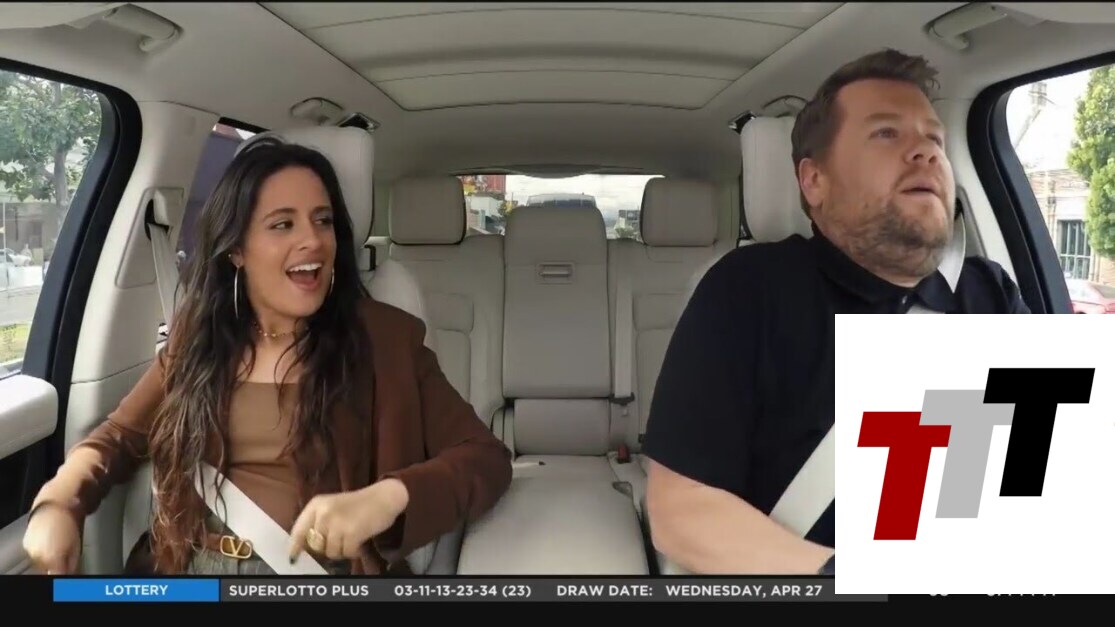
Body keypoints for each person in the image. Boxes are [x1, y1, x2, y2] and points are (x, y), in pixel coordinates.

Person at [22, 137, 513, 575]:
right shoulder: (200, 337)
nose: (312, 240)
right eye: (283, 224)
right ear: (236, 249)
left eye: (323, 221)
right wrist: (60, 502)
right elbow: (118, 437)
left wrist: (387, 498)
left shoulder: (387, 339)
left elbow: (486, 458)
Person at [642, 48, 1030, 575]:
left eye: (935, 140)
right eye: (886, 133)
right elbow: (680, 512)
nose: (925, 152)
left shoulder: (991, 294)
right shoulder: (749, 290)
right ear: (813, 181)